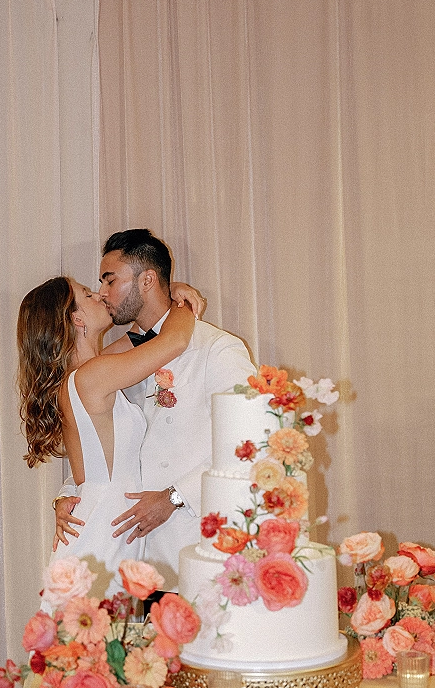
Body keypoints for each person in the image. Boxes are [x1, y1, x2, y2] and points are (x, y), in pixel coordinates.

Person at [54, 229, 256, 593]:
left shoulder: (218, 349)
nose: (102, 293)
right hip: (133, 555)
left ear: (147, 279)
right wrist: (70, 491)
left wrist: (175, 497)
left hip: (198, 547)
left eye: (110, 280)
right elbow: (102, 444)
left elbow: (251, 443)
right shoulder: (116, 360)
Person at [16, 274, 196, 598]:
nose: (100, 295)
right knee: (95, 639)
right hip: (104, 531)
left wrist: (168, 294)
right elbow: (174, 342)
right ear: (77, 318)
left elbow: (143, 336)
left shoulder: (89, 372)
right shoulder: (92, 376)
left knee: (108, 641)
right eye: (88, 294)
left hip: (111, 523)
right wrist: (183, 306)